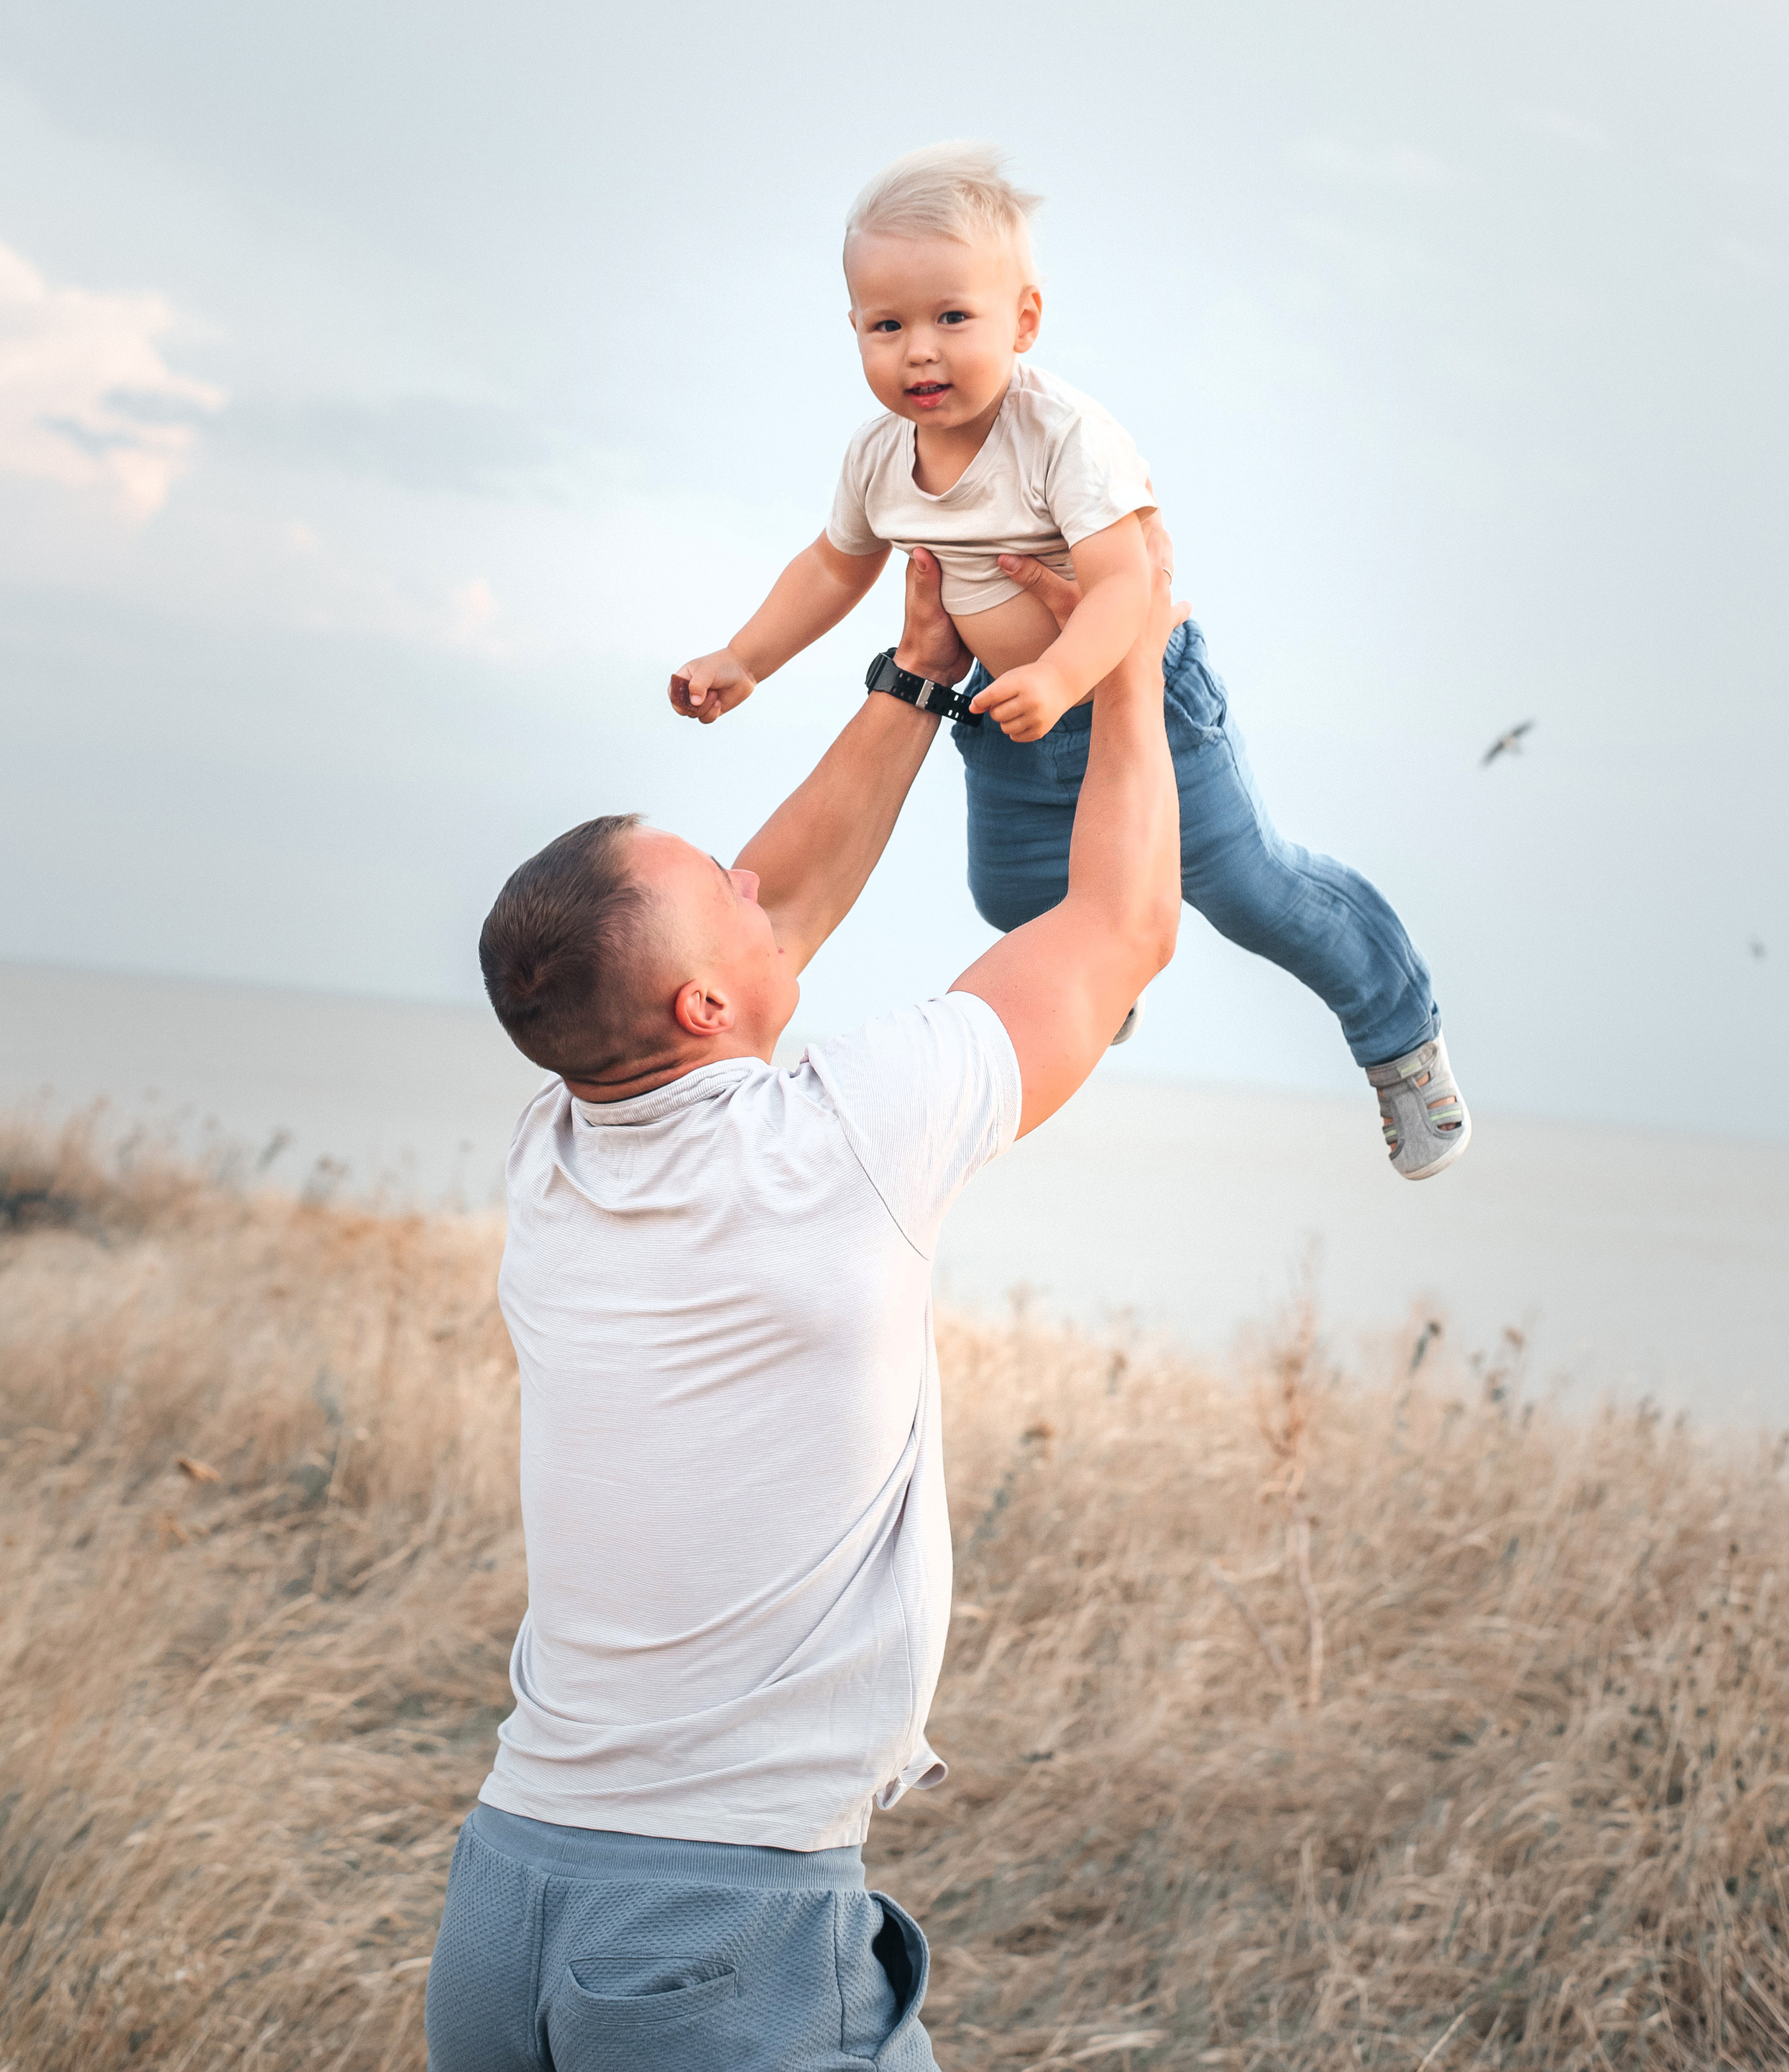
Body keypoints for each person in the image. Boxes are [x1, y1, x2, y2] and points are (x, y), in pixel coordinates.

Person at [425, 538, 1181, 2071]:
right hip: (713, 1932)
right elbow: (1115, 937)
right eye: (725, 883)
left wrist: (912, 679)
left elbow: (752, 933)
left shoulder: (554, 1158)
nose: (756, 872)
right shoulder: (837, 1138)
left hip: (510, 1902)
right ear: (704, 1005)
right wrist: (1134, 664)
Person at [671, 142, 1469, 1181]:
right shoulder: (878, 458)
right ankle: (1108, 975)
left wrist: (1062, 674)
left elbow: (1128, 582)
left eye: (953, 317)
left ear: (1024, 322)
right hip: (1010, 721)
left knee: (1248, 886)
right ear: (856, 331)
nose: (921, 350)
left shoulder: (1062, 435)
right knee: (1009, 898)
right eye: (888, 325)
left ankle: (1400, 1035)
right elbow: (832, 568)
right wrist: (745, 657)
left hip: (1139, 699)